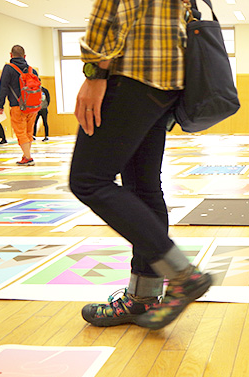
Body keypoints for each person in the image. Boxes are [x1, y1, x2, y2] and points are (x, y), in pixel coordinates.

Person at [69, 0, 212, 330]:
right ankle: (144, 297)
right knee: (144, 188)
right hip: (169, 83)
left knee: (89, 180)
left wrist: (95, 72)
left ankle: (182, 274)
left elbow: (108, 13)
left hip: (132, 73)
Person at [0, 45, 38, 165]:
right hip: (33, 106)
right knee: (29, 132)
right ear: (24, 56)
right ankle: (26, 156)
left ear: (11, 55)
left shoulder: (8, 68)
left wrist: (1, 104)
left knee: (20, 132)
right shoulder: (32, 70)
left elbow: (3, 87)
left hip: (17, 105)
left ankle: (28, 157)